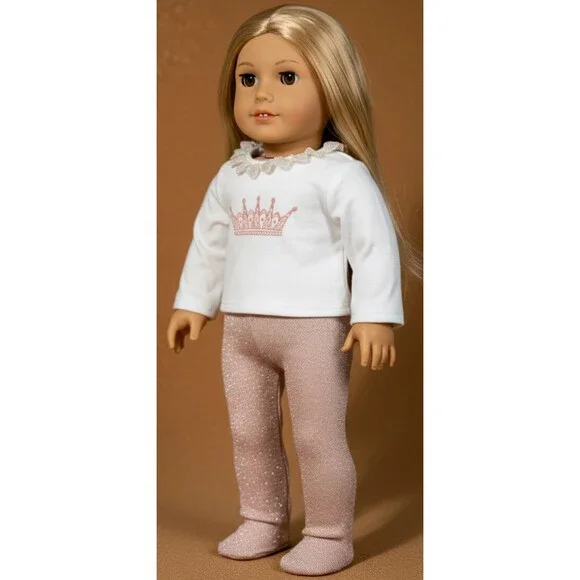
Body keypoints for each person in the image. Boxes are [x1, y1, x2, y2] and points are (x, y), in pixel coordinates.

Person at [166, 4, 414, 575]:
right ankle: (263, 518)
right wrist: (192, 303)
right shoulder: (233, 174)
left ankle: (330, 532)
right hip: (242, 330)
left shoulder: (339, 174)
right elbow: (210, 243)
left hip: (314, 329)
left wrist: (375, 314)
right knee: (249, 431)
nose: (262, 93)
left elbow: (372, 245)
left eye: (286, 77)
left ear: (333, 88)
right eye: (247, 78)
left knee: (317, 437)